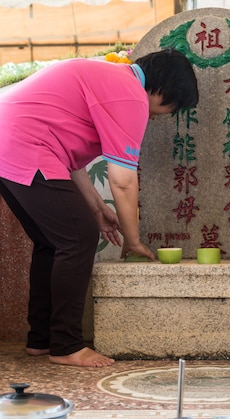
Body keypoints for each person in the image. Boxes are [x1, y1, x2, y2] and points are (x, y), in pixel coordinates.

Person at [0, 48, 199, 367]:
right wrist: (133, 241)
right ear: (163, 87)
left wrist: (96, 208)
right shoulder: (131, 95)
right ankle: (66, 346)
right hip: (24, 143)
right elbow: (122, 181)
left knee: (53, 243)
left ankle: (42, 339)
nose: (166, 114)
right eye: (172, 105)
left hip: (10, 140)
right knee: (78, 238)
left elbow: (70, 163)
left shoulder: (110, 79)